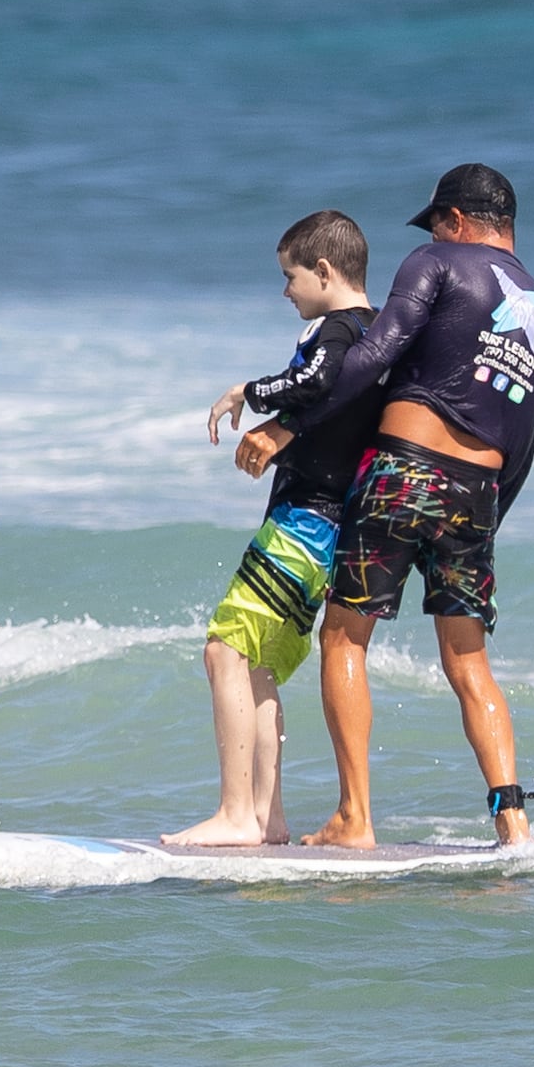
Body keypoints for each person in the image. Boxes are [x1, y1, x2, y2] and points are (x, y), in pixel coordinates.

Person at [267, 165, 534, 849]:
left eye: (436, 221)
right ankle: (513, 822)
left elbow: (372, 356)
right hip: (478, 493)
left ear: (458, 219)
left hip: (404, 469)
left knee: (344, 637)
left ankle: (354, 817)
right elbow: (526, 435)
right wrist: (488, 512)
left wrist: (291, 424)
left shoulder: (435, 262)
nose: (431, 233)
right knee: (468, 661)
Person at [164, 211, 381, 847]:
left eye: (290, 277)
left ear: (323, 271)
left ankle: (236, 815)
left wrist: (246, 392)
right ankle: (266, 818)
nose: (285, 291)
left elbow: (313, 382)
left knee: (224, 649)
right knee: (254, 664)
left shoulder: (338, 331)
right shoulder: (375, 337)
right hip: (329, 531)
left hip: (304, 526)